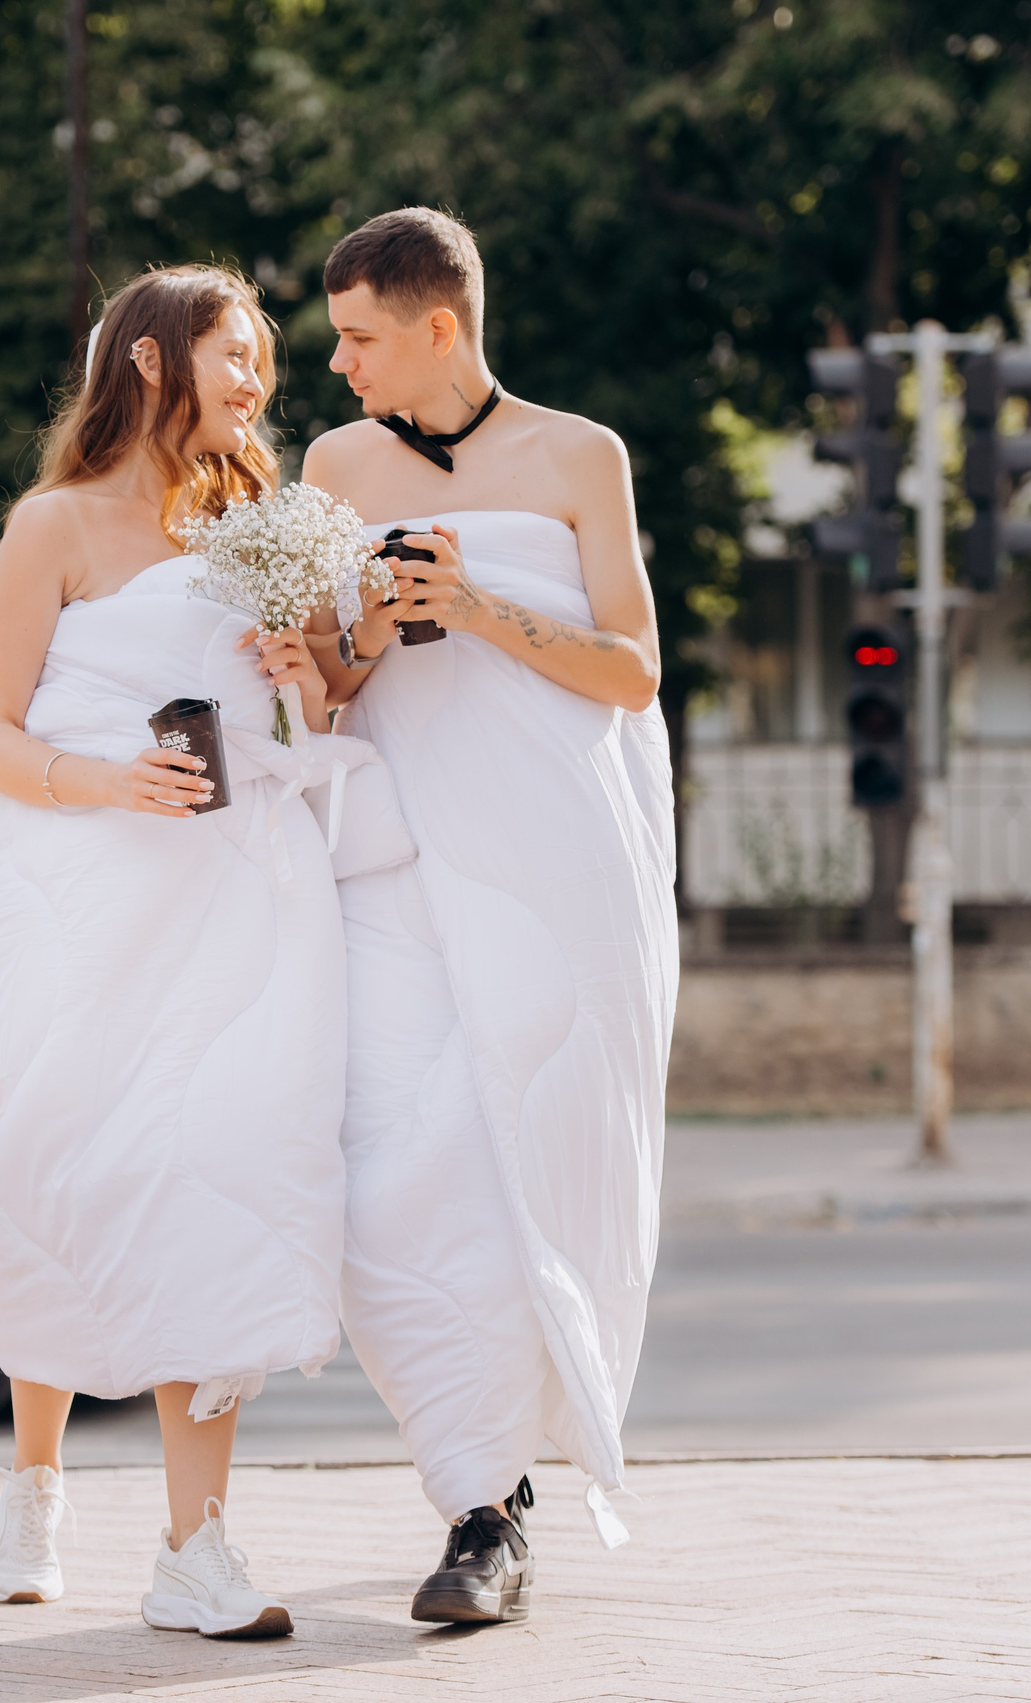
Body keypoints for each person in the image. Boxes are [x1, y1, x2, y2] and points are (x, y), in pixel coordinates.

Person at [0, 263, 404, 1640]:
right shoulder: (53, 528)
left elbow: (320, 706)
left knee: (232, 1176)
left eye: (268, 356)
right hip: (85, 905)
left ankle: (194, 1547)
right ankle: (35, 1479)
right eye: (240, 351)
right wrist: (110, 786)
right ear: (153, 361)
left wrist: (316, 667)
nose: (262, 378)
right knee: (68, 1171)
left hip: (241, 903)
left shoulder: (259, 524)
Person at [301, 208, 679, 1625]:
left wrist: (473, 605)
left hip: (553, 855)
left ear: (438, 326)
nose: (334, 364)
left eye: (356, 336)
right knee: (397, 1165)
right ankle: (471, 1476)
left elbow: (632, 672)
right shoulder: (334, 469)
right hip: (403, 852)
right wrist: (328, 648)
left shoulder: (583, 455)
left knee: (543, 1156)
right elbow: (336, 688)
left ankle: (491, 1513)